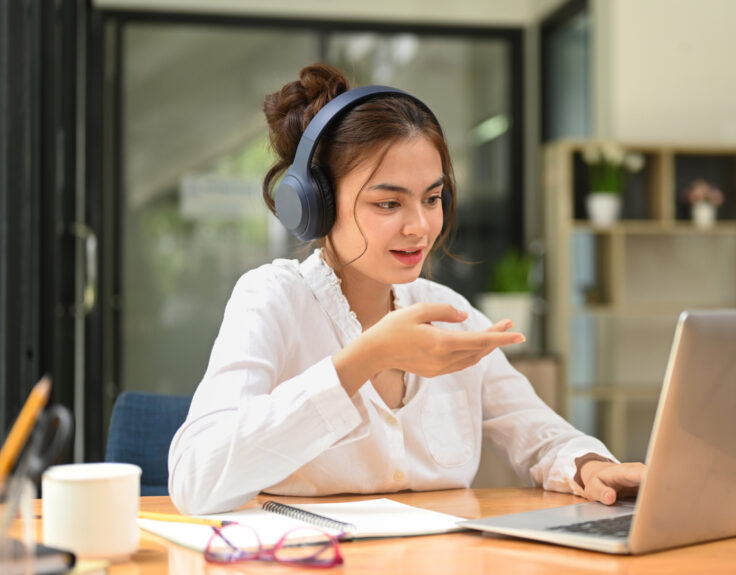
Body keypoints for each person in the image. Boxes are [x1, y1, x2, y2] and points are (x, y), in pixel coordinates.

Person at [167, 63, 645, 515]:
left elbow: (540, 437)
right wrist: (364, 358)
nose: (420, 226)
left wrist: (592, 467)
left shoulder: (446, 310)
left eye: (433, 198)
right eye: (389, 202)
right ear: (316, 204)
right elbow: (195, 479)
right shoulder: (272, 299)